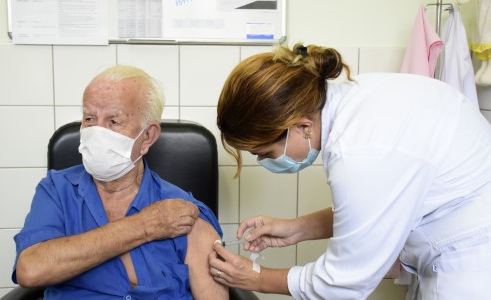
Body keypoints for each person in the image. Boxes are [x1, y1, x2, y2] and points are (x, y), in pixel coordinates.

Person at [208, 43, 491, 299]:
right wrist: (296, 229)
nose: (265, 163)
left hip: (470, 268)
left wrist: (256, 278)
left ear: (302, 126)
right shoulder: (360, 98)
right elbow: (378, 207)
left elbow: (342, 284)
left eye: (266, 154)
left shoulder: (359, 151)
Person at [12, 65, 228, 299]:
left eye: (113, 121)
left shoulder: (183, 213)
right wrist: (145, 225)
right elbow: (30, 270)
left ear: (147, 136)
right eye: (89, 119)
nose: (97, 132)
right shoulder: (57, 191)